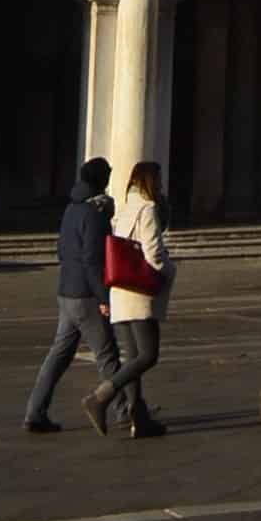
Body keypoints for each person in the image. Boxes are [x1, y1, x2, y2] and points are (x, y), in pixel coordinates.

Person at [24, 156, 115, 432]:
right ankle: (127, 410)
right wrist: (103, 297)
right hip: (86, 294)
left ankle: (35, 411)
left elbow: (62, 250)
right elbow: (92, 260)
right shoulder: (93, 214)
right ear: (102, 180)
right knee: (108, 356)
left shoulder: (72, 209)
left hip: (67, 290)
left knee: (58, 356)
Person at [88, 160, 172, 438]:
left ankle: (139, 417)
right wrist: (166, 272)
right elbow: (154, 253)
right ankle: (101, 397)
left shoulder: (122, 210)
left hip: (119, 291)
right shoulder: (147, 210)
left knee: (132, 357)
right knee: (148, 354)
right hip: (139, 292)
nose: (161, 185)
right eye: (158, 180)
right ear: (151, 181)